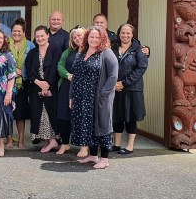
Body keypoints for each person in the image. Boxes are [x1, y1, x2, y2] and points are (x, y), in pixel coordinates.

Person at [70, 26, 118, 169]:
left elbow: (113, 75)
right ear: (87, 38)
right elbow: (75, 76)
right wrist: (71, 96)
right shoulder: (82, 52)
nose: (94, 39)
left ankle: (104, 158)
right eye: (91, 37)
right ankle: (92, 155)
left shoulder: (106, 53)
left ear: (102, 38)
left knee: (102, 125)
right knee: (88, 126)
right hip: (81, 97)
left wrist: (104, 94)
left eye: (97, 37)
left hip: (98, 97)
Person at [111, 24, 148, 155]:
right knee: (117, 116)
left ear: (133, 35)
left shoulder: (139, 49)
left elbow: (141, 69)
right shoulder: (112, 47)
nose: (125, 35)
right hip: (115, 88)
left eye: (128, 33)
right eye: (122, 33)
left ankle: (130, 146)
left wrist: (124, 83)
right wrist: (114, 83)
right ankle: (116, 144)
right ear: (118, 34)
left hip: (132, 89)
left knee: (130, 118)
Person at [26, 25, 62, 153]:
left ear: (48, 36)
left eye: (42, 35)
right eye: (37, 36)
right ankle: (47, 141)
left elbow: (56, 70)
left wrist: (47, 85)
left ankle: (53, 140)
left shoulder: (56, 50)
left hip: (52, 87)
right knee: (40, 114)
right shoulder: (32, 53)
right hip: (36, 89)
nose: (40, 38)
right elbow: (29, 72)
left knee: (50, 113)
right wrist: (39, 83)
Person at [56, 26, 85, 155]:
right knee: (63, 116)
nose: (77, 38)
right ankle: (65, 143)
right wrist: (67, 75)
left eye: (79, 35)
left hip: (83, 89)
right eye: (74, 37)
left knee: (83, 117)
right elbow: (60, 65)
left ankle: (84, 146)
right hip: (67, 87)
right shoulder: (69, 51)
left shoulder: (91, 51)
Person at [7, 18, 34, 149]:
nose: (16, 33)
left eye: (19, 31)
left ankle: (21, 141)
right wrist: (13, 71)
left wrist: (22, 72)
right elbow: (2, 62)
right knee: (8, 113)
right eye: (14, 31)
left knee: (20, 114)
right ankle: (9, 141)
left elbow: (34, 63)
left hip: (23, 84)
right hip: (7, 84)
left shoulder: (30, 45)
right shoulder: (5, 44)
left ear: (23, 32)